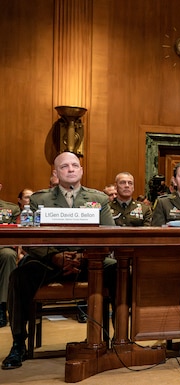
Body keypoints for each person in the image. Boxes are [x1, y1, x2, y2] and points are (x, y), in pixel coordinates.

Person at [2, 151, 116, 370]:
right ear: (55, 173)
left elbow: (110, 236)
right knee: (19, 275)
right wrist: (54, 256)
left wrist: (84, 256)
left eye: (75, 165)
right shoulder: (39, 199)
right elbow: (30, 239)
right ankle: (18, 343)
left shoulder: (98, 199)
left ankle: (118, 339)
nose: (71, 169)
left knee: (117, 269)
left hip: (88, 262)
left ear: (81, 170)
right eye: (65, 166)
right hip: (49, 262)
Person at [0, 183, 20, 329]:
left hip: (2, 248)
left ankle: (2, 308)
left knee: (8, 255)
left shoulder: (11, 209)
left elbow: (15, 234)